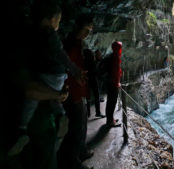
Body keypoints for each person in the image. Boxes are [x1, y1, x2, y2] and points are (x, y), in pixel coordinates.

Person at [8, 1, 83, 158]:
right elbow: (61, 55)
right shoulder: (50, 34)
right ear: (50, 19)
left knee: (32, 102)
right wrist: (75, 71)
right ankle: (60, 115)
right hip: (55, 74)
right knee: (51, 97)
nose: (58, 24)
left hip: (45, 75)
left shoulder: (30, 35)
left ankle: (22, 129)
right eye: (58, 20)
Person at [58, 15, 94, 169]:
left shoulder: (77, 43)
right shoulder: (70, 45)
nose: (87, 34)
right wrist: (72, 93)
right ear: (78, 27)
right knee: (75, 128)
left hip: (79, 92)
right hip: (73, 94)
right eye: (86, 30)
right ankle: (73, 162)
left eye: (90, 31)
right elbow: (65, 71)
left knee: (82, 123)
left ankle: (81, 151)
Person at [105, 41, 123, 127]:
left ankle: (110, 119)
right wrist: (117, 83)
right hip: (113, 83)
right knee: (112, 102)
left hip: (109, 82)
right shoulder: (116, 57)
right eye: (120, 48)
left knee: (110, 101)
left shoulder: (111, 56)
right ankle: (110, 121)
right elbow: (115, 72)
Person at [84, 49, 105, 118]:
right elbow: (95, 71)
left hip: (88, 79)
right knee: (96, 96)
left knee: (88, 97)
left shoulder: (86, 61)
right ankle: (97, 112)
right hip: (92, 79)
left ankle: (88, 113)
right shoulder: (92, 62)